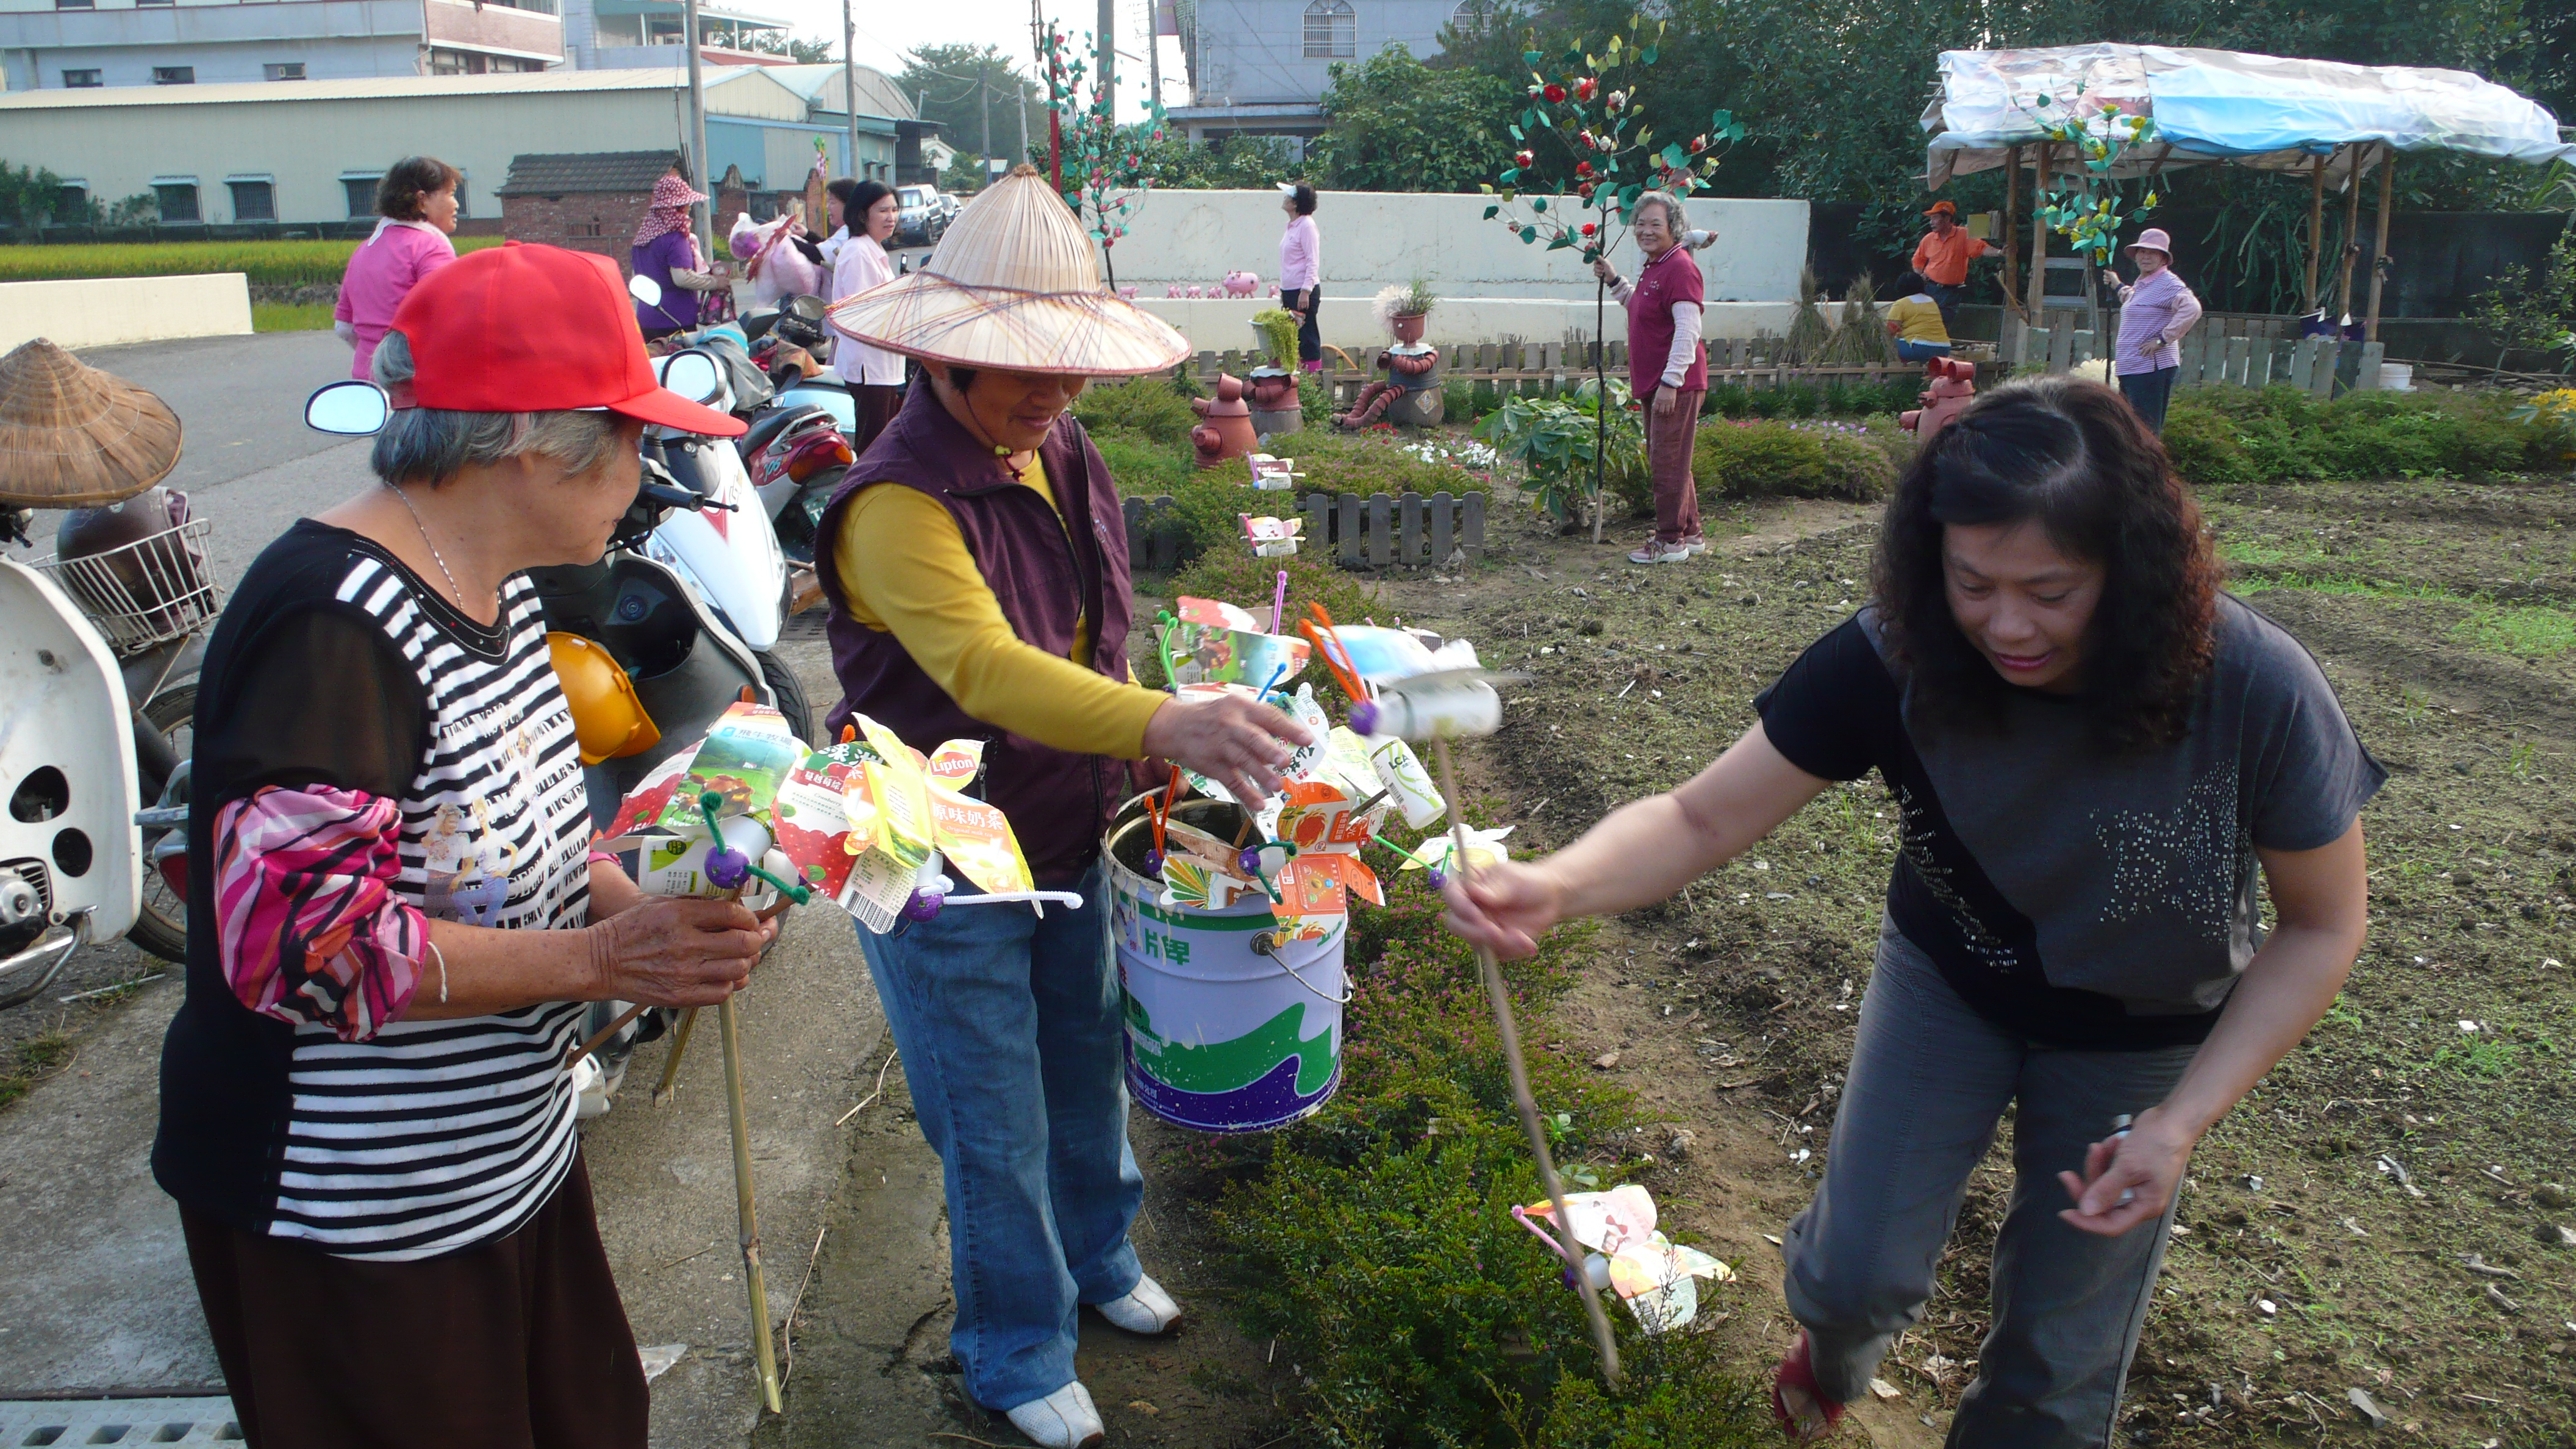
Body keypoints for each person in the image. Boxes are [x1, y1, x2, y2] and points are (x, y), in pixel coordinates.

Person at [1442, 376, 2378, 1448]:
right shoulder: (1897, 651)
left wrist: (2179, 1121)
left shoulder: (2252, 686)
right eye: (1970, 581)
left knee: (2055, 1371)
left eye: (2049, 589)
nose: (2005, 625)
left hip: (2144, 1035)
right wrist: (1556, 884)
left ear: (2132, 571)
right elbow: (1700, 817)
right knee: (1852, 1276)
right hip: (1951, 981)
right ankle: (1831, 1358)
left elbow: (2320, 922)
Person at [155, 242, 770, 1448]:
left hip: (500, 1162)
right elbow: (307, 951)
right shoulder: (330, 619)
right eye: (636, 437)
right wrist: (606, 967)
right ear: (538, 442)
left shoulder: (507, 581)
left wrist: (639, 910)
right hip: (360, 1214)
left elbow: (532, 824)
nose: (651, 471)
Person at [817, 166, 1312, 1449]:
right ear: (941, 361)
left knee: (1087, 1067)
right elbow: (982, 669)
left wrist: (1142, 735)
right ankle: (1012, 1349)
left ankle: (1099, 1260)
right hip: (938, 849)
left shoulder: (1059, 445)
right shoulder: (894, 504)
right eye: (1023, 369)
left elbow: (1094, 632)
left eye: (1069, 366)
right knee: (990, 1112)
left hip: (1063, 823)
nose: (1053, 391)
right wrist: (1163, 722)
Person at [1591, 190, 1707, 567]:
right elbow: (1641, 306)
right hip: (1657, 381)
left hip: (1674, 384)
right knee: (1673, 458)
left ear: (1674, 228)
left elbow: (1688, 329)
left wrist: (1671, 383)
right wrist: (1613, 280)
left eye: (1655, 224)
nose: (1645, 230)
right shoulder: (1656, 266)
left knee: (1666, 460)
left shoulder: (1680, 268)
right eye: (1640, 223)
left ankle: (1669, 541)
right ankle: (1690, 532)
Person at [332, 156, 460, 381]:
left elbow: (344, 327)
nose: (456, 204)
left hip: (367, 380)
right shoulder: (431, 246)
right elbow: (445, 319)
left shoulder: (364, 250)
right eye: (450, 193)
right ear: (422, 200)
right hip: (412, 383)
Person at [825, 179, 907, 452]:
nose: (891, 217)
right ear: (862, 214)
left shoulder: (872, 249)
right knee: (872, 446)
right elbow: (863, 313)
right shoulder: (859, 252)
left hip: (882, 363)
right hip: (869, 366)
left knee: (883, 442)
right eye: (883, 211)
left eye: (894, 210)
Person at [2114, 227, 2203, 435]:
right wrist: (2118, 285)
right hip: (2132, 366)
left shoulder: (2168, 283)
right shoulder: (2144, 284)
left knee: (2145, 430)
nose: (2146, 256)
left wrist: (2163, 339)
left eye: (2152, 252)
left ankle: (2149, 467)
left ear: (2164, 258)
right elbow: (2136, 302)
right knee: (2129, 428)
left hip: (2149, 368)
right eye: (2142, 251)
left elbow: (2192, 308)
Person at [631, 171, 728, 341]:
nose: (689, 209)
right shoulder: (676, 239)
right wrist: (714, 283)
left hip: (646, 318)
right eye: (687, 205)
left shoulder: (641, 240)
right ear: (679, 207)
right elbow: (681, 278)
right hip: (675, 320)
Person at [1911, 199, 1996, 331]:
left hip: (1951, 292)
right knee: (1923, 322)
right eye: (1931, 218)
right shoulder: (1928, 239)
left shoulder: (1964, 235)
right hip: (1929, 288)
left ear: (1947, 218)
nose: (1931, 222)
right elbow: (1918, 259)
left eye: (1935, 218)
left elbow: (1982, 248)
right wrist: (1919, 274)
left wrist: (2000, 252)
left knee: (1941, 324)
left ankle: (1937, 349)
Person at [1278, 182, 1323, 373]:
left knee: (1307, 336)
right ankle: (1297, 377)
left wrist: (1306, 291)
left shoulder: (1307, 226)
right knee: (1292, 337)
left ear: (1296, 203)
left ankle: (1311, 379)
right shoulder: (1292, 226)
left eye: (1288, 196)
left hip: (1302, 291)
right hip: (1290, 290)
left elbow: (1313, 261)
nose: (1284, 198)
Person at [1883, 270, 1953, 362]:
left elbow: (1889, 332)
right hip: (1943, 349)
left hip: (1918, 349)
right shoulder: (1931, 301)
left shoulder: (1901, 304)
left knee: (1887, 343)